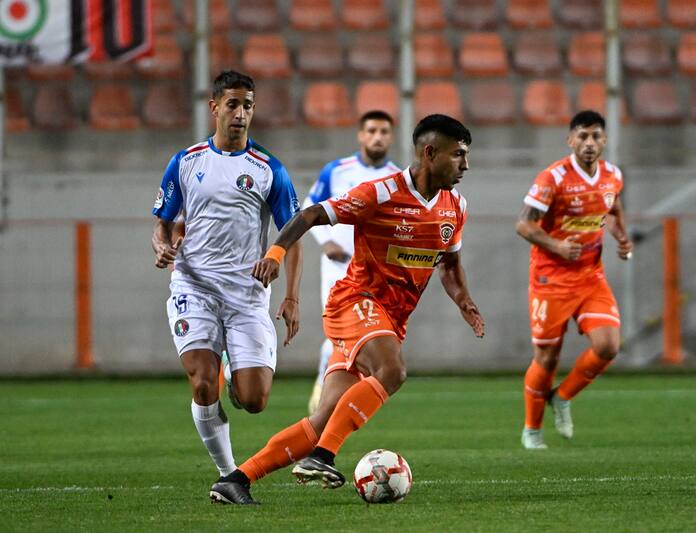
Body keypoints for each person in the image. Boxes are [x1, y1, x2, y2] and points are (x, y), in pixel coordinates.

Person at [209, 114, 485, 504]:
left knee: (323, 420)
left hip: (388, 318)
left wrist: (464, 301)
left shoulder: (455, 206)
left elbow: (451, 264)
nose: (465, 165)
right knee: (392, 371)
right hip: (354, 302)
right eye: (458, 155)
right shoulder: (381, 192)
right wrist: (275, 251)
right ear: (430, 152)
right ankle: (322, 457)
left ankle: (237, 479)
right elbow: (310, 214)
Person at [151, 70, 302, 480]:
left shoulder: (270, 169)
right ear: (214, 107)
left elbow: (295, 231)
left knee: (254, 400)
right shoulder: (185, 161)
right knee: (203, 383)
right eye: (232, 104)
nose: (240, 113)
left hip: (247, 295)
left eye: (248, 105)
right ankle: (229, 473)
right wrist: (162, 244)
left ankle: (238, 368)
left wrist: (290, 295)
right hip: (193, 286)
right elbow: (163, 222)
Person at [515, 110, 633, 450]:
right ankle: (532, 429)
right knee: (547, 359)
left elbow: (612, 210)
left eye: (596, 136)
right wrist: (555, 245)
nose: (589, 143)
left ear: (604, 140)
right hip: (550, 279)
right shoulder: (553, 178)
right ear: (570, 140)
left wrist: (622, 238)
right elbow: (523, 224)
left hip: (590, 277)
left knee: (608, 346)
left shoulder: (613, 176)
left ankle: (563, 397)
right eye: (582, 136)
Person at [303, 110, 401, 414]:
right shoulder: (337, 170)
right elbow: (309, 207)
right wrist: (326, 241)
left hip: (374, 274)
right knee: (337, 335)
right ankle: (326, 396)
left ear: (391, 136)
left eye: (384, 131)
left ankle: (335, 397)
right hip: (338, 267)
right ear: (360, 135)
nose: (377, 137)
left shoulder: (398, 178)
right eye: (371, 130)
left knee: (360, 338)